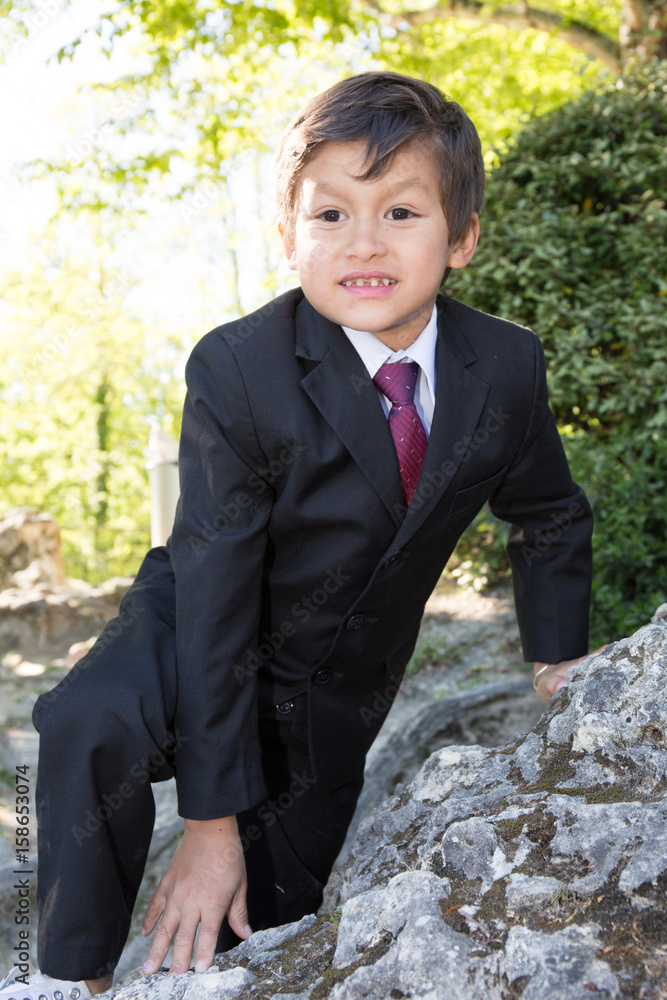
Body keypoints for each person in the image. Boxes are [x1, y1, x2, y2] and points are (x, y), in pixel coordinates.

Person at [1, 70, 594, 1000]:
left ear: (462, 238)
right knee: (88, 722)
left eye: (400, 213)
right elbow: (217, 596)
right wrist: (208, 828)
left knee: (266, 926)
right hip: (197, 621)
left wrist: (555, 659)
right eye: (330, 215)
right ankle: (72, 978)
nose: (364, 243)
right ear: (288, 237)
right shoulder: (240, 369)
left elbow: (547, 511)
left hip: (338, 683)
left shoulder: (504, 365)